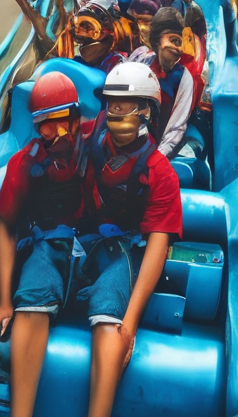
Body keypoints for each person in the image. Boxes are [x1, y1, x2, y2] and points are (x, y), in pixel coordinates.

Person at [0, 71, 91, 417]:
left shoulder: (97, 144)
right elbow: (6, 227)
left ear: (76, 117)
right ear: (36, 126)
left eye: (63, 120)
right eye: (47, 124)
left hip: (94, 245)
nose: (57, 132)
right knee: (33, 297)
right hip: (47, 247)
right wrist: (5, 303)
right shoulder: (25, 164)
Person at [82, 62, 182, 417]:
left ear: (146, 111)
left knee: (107, 306)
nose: (115, 110)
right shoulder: (91, 141)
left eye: (124, 104)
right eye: (111, 103)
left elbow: (157, 244)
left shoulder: (161, 174)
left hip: (129, 247)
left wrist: (131, 323)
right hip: (89, 241)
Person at [127, 9, 197, 158]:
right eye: (173, 41)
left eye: (180, 43)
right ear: (158, 39)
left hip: (156, 151)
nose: (178, 49)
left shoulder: (183, 78)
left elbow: (177, 127)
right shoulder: (140, 59)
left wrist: (157, 158)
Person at [17, 0, 135, 72]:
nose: (82, 31)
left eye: (89, 24)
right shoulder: (69, 43)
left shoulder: (116, 60)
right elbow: (50, 59)